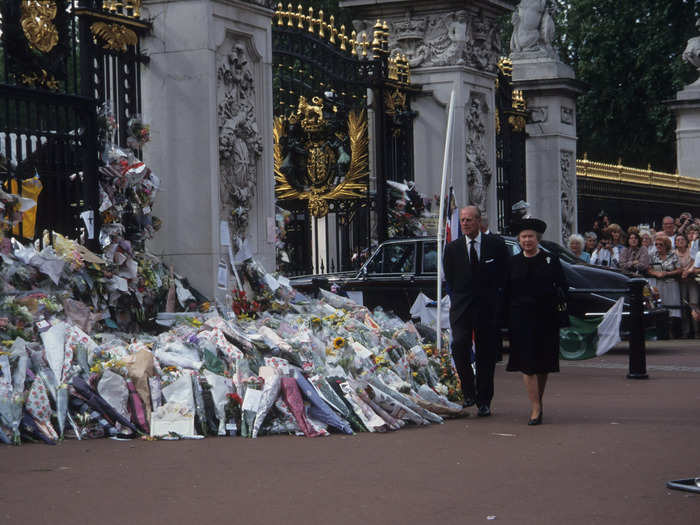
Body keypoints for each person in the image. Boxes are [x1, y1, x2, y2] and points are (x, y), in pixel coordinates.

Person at [443, 206, 509, 417]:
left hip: (487, 308)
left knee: (486, 355)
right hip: (462, 308)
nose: (465, 224)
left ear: (479, 222)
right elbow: (451, 279)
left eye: (469, 220)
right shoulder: (452, 249)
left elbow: (503, 275)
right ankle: (468, 391)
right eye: (462, 220)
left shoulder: (495, 245)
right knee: (459, 344)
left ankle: (484, 400)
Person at [506, 218, 567, 426]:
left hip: (546, 318)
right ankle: (535, 407)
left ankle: (537, 401)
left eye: (530, 236)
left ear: (537, 238)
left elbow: (563, 287)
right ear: (519, 240)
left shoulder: (551, 260)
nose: (527, 240)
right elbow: (506, 291)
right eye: (523, 237)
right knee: (527, 365)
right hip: (521, 319)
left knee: (543, 364)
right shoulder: (512, 263)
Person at [647, 233, 682, 338]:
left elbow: (679, 269)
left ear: (666, 245)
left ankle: (674, 333)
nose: (658, 247)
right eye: (656, 244)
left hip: (671, 284)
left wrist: (667, 273)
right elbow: (648, 269)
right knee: (661, 308)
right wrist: (656, 273)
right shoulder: (653, 255)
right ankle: (662, 333)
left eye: (660, 245)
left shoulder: (673, 255)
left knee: (673, 309)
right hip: (659, 284)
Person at [675, 233, 697, 338]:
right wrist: (681, 271)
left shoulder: (691, 251)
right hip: (680, 282)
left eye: (682, 239)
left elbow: (694, 262)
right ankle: (686, 332)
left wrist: (687, 271)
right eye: (678, 240)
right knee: (683, 306)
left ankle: (697, 332)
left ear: (686, 241)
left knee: (694, 303)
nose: (680, 241)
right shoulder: (674, 253)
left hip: (692, 281)